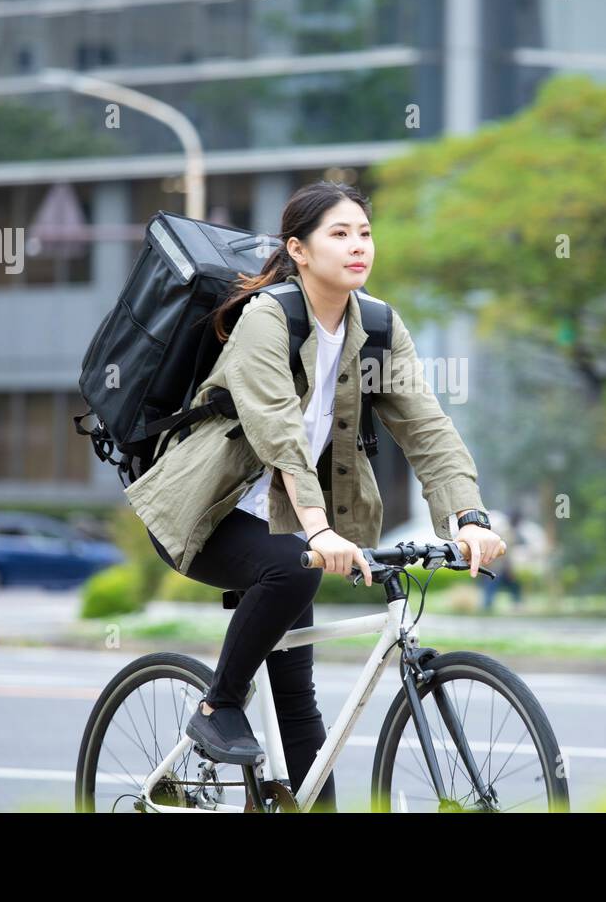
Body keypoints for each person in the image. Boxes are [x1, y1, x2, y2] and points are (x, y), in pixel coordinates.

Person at [130, 180, 506, 812]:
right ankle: (217, 705)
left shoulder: (379, 327)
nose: (358, 246)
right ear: (298, 250)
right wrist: (319, 529)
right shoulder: (268, 318)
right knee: (293, 568)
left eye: (364, 233)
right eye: (339, 234)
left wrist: (467, 517)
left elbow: (427, 428)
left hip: (288, 527)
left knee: (298, 698)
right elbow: (278, 430)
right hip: (206, 513)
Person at [481, 506, 526, 611]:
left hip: (496, 567)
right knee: (491, 589)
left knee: (514, 587)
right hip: (497, 567)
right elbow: (505, 554)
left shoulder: (506, 530)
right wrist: (509, 569)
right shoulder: (507, 532)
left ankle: (516, 605)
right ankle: (487, 608)